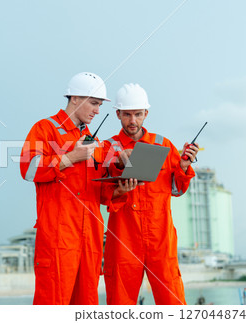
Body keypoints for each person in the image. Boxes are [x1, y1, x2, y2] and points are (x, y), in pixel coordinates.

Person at [20, 72, 138, 305]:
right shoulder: (45, 129)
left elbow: (100, 194)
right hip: (58, 237)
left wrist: (120, 189)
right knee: (53, 302)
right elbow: (29, 170)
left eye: (99, 105)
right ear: (75, 98)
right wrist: (71, 156)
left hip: (91, 238)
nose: (97, 110)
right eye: (94, 103)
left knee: (86, 306)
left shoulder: (93, 142)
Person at [102, 83, 199, 305]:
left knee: (172, 301)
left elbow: (177, 189)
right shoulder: (107, 148)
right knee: (120, 303)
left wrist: (183, 166)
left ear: (146, 113)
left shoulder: (162, 145)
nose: (132, 121)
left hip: (160, 237)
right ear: (118, 114)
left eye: (137, 114)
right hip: (124, 237)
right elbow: (100, 193)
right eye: (127, 114)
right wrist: (118, 185)